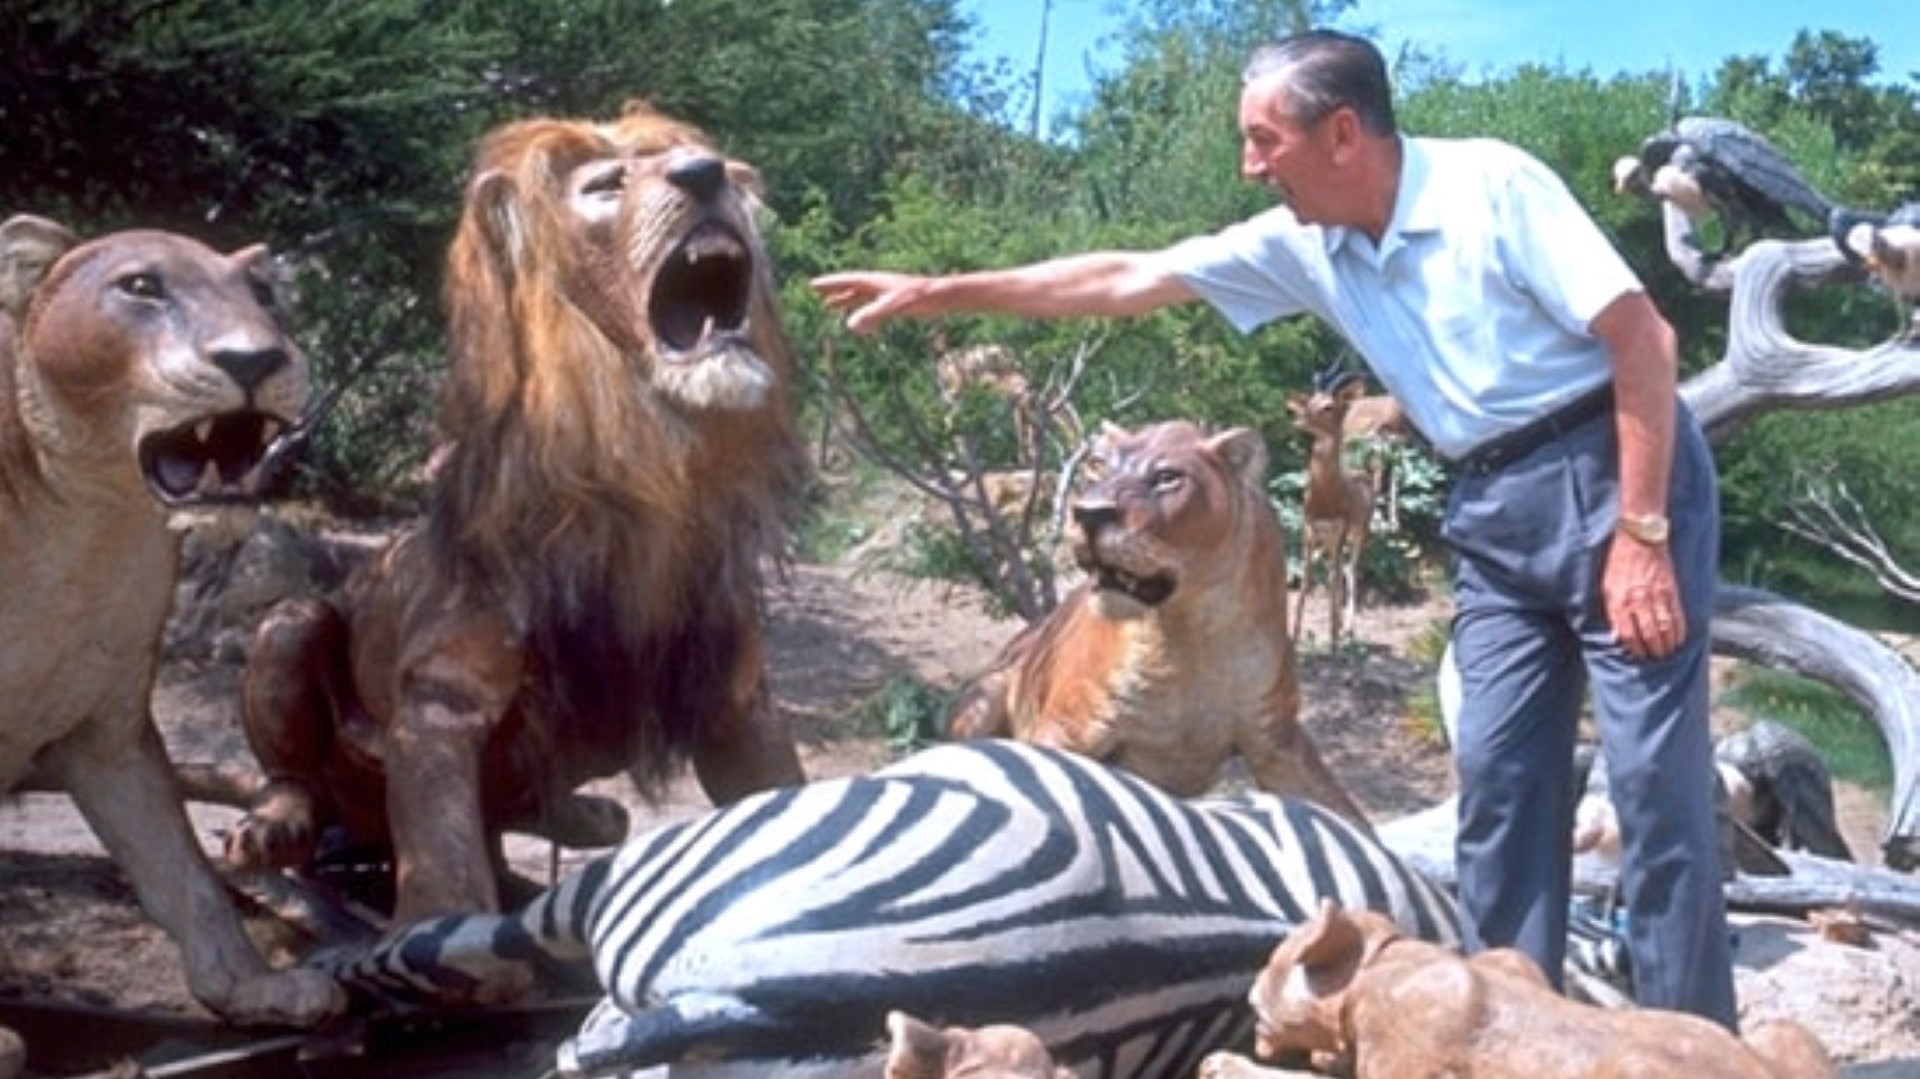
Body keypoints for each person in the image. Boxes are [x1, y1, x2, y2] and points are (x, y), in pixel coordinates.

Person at [811, 29, 1737, 1027]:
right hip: (1491, 501)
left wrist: (1641, 533)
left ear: (1342, 133)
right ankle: (1514, 1033)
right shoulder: (1306, 245)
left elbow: (1644, 339)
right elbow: (1129, 277)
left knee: (1654, 790)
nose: (1250, 166)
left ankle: (1695, 1042)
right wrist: (942, 291)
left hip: (1616, 467)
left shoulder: (1493, 188)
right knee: (1504, 789)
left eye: (1264, 140)